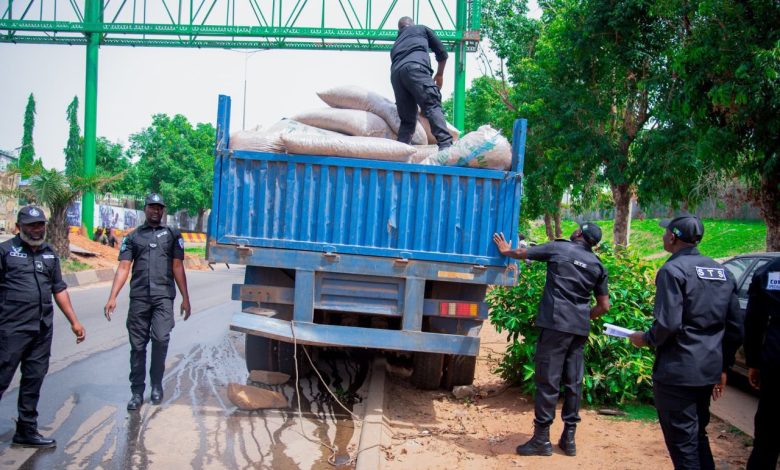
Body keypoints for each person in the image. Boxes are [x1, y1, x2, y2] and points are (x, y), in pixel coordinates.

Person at [629, 214, 743, 470]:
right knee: (697, 436)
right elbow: (735, 328)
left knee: (683, 445)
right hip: (706, 372)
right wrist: (723, 367)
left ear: (672, 237)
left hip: (677, 373)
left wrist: (644, 339)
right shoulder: (722, 272)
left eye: (665, 232)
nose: (663, 236)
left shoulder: (672, 270)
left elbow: (668, 324)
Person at [493, 223, 610, 457]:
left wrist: (506, 250)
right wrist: (581, 316)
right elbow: (604, 306)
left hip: (556, 325)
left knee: (548, 380)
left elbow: (523, 253)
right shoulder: (598, 265)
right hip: (579, 329)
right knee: (573, 381)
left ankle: (541, 440)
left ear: (578, 234)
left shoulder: (560, 249)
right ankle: (569, 439)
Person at [0, 206, 86, 448]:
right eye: (31, 225)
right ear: (18, 228)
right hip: (10, 330)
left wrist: (74, 322)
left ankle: (26, 431)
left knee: (33, 380)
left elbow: (58, 289)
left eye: (40, 225)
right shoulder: (5, 252)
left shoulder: (50, 253)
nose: (37, 230)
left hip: (41, 330)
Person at [103, 193, 191, 411]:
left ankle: (157, 385)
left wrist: (185, 298)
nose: (155, 211)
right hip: (140, 298)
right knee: (138, 346)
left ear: (163, 211)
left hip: (163, 297)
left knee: (161, 339)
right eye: (152, 207)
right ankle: (136, 392)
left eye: (159, 208)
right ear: (145, 209)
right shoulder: (132, 238)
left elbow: (178, 266)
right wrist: (113, 296)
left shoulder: (172, 235)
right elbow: (124, 267)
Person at [390, 16, 453, 150]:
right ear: (412, 24)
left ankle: (399, 152)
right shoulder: (421, 29)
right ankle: (446, 145)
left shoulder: (396, 44)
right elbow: (442, 53)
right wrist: (440, 74)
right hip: (416, 68)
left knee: (407, 120)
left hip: (396, 76)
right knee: (432, 105)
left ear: (399, 29)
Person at [744, 257, 780, 469]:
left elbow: (754, 323)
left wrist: (753, 362)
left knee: (768, 433)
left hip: (775, 362)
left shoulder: (769, 271)